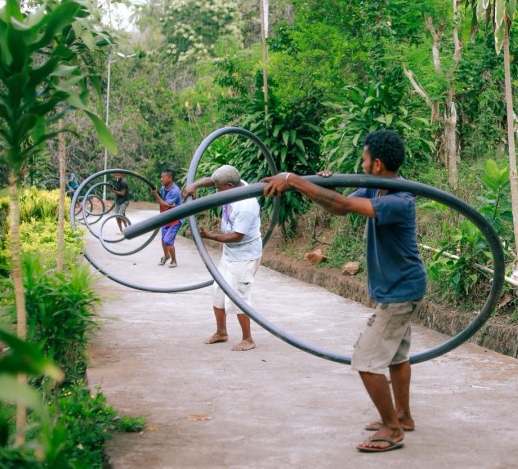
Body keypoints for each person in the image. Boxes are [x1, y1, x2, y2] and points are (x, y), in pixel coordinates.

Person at [262, 130, 426, 454]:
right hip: (400, 287)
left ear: (377, 164)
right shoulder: (379, 184)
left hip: (400, 293)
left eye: (364, 158)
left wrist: (294, 179)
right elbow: (337, 205)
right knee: (396, 355)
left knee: (365, 361)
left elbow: (342, 204)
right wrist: (318, 183)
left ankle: (392, 429)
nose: (361, 163)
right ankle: (403, 416)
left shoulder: (398, 199)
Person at [183, 165, 262, 352]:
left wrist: (210, 236)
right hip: (230, 254)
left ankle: (248, 339)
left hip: (244, 256)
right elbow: (214, 180)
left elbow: (237, 236)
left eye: (219, 189)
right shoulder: (235, 183)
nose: (216, 191)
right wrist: (194, 185)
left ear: (228, 186)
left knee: (238, 297)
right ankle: (221, 332)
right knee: (218, 291)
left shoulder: (246, 205)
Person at [150, 169, 182, 268]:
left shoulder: (175, 191)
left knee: (168, 240)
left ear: (170, 178)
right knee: (163, 240)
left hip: (175, 219)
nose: (161, 179)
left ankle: (174, 261)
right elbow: (162, 199)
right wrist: (157, 192)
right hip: (165, 217)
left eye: (163, 177)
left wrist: (155, 195)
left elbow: (165, 204)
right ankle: (166, 256)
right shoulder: (164, 187)